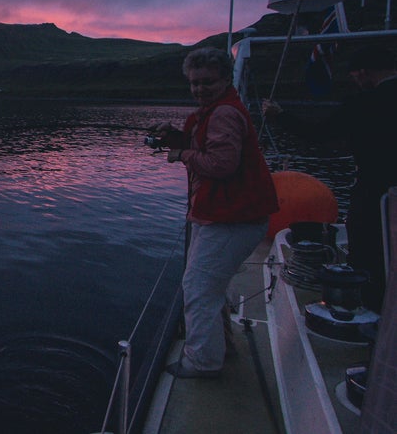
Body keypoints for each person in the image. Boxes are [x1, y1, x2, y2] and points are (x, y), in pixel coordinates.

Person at [153, 47, 279, 378]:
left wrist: (181, 153)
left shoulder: (222, 114)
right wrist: (178, 138)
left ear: (225, 78)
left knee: (198, 288)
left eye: (207, 82)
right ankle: (219, 347)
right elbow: (209, 148)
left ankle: (203, 363)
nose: (199, 89)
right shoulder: (215, 111)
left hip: (233, 219)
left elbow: (222, 165)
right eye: (194, 83)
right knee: (206, 286)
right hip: (225, 215)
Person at [263, 45, 397, 314]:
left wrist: (280, 116)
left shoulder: (365, 103)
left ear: (362, 72)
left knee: (370, 255)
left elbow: (317, 134)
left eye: (355, 76)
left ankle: (374, 316)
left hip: (376, 194)